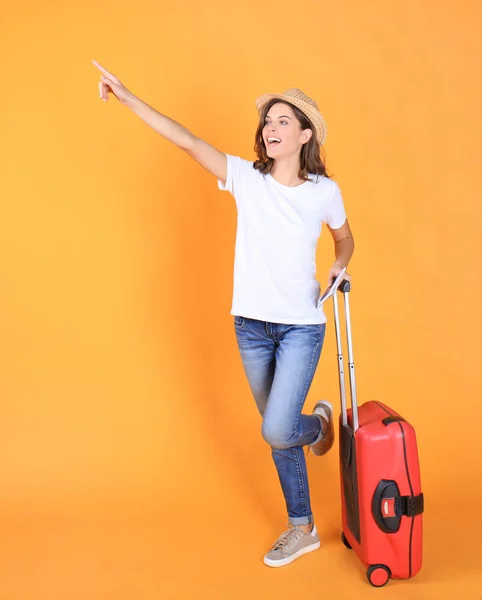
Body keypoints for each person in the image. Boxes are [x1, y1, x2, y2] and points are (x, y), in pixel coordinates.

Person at [92, 61, 355, 568]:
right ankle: (304, 517)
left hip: (302, 325)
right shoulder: (245, 178)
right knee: (279, 433)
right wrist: (127, 96)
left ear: (304, 135)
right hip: (251, 328)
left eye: (283, 121)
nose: (270, 128)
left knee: (278, 430)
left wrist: (340, 266)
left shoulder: (325, 192)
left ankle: (316, 438)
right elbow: (187, 140)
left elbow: (344, 239)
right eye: (268, 121)